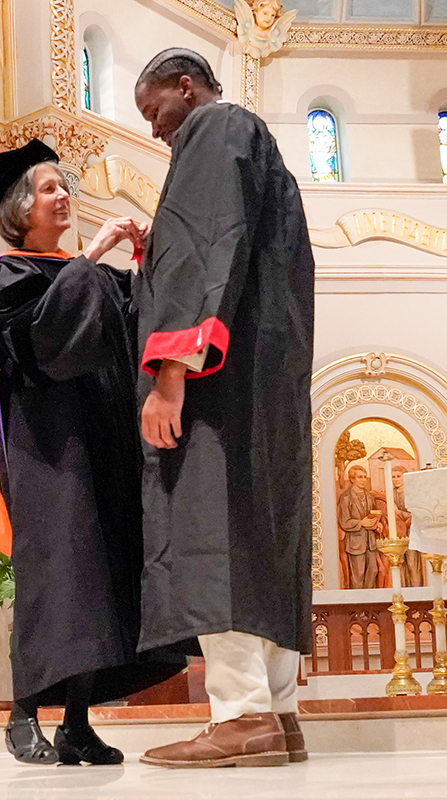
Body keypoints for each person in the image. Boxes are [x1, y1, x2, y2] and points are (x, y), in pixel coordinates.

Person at [130, 48, 317, 768]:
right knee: (259, 532)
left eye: (155, 111)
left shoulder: (213, 129)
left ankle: (239, 716)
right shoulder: (259, 148)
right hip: (262, 383)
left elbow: (206, 249)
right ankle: (277, 712)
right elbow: (231, 253)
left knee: (213, 532)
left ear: (187, 87)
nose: (154, 130)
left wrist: (169, 374)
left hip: (216, 384)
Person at [0, 139, 185, 766]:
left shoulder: (75, 269)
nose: (63, 195)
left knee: (100, 577)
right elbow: (39, 344)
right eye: (48, 188)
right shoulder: (6, 273)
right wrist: (91, 258)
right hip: (48, 454)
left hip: (98, 447)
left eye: (65, 185)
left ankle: (76, 724)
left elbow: (126, 320)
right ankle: (20, 718)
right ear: (20, 208)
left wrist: (142, 265)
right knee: (57, 580)